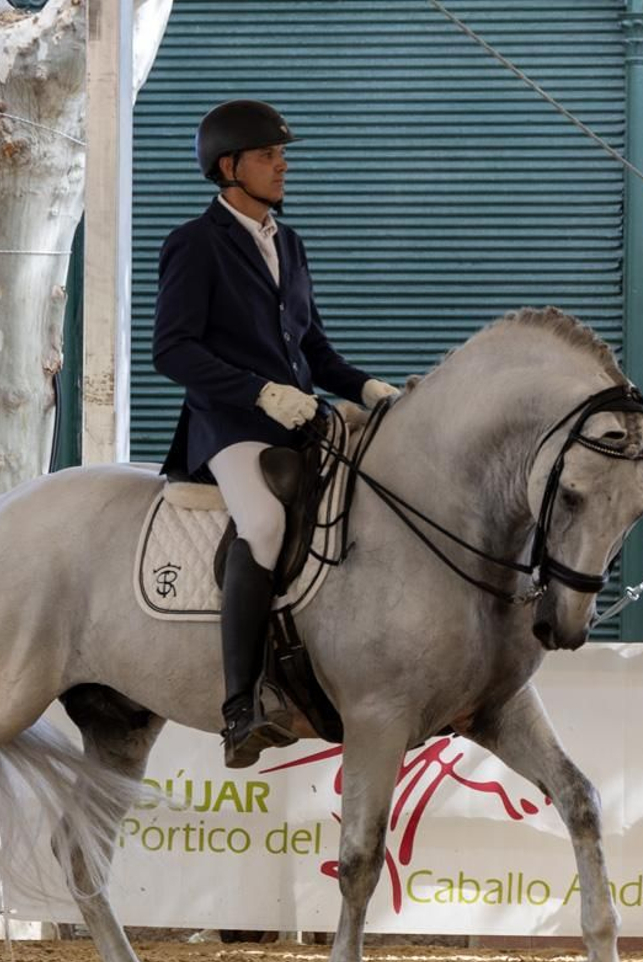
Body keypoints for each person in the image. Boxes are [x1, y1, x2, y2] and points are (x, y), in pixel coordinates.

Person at [153, 100, 401, 770]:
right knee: (262, 523)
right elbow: (172, 350)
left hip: (301, 419)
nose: (282, 164)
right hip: (228, 424)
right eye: (267, 155)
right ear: (229, 168)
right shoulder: (195, 243)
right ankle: (240, 707)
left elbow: (313, 350)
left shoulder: (287, 242)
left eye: (280, 154)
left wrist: (369, 389)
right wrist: (259, 391)